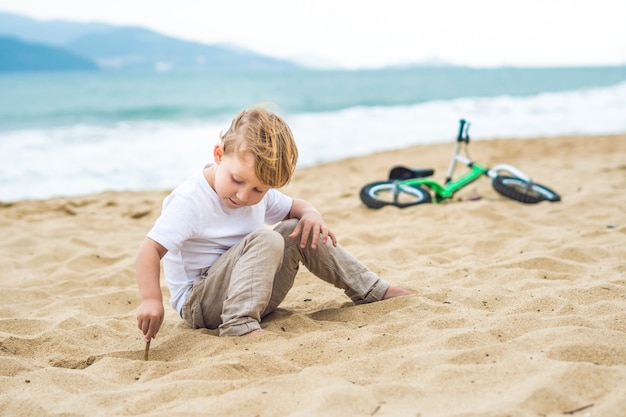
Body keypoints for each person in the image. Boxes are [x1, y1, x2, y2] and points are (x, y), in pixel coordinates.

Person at [136, 106, 411, 341]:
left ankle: (370, 289)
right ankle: (238, 326)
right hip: (200, 304)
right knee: (268, 238)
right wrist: (151, 300)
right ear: (219, 155)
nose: (244, 196)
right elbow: (149, 250)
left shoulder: (257, 195)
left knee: (296, 227)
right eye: (237, 180)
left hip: (254, 293)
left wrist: (312, 214)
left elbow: (296, 207)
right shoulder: (190, 201)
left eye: (259, 190)